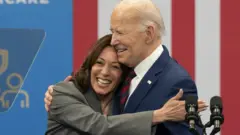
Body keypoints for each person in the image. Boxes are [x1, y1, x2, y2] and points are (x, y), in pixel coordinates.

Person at [45, 0, 208, 135]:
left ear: (149, 33)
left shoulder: (175, 82)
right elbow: (100, 122)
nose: (114, 40)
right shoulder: (125, 75)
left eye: (120, 32)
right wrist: (59, 92)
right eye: (113, 32)